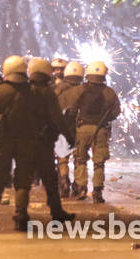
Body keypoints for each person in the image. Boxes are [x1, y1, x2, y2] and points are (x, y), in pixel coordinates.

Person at [0, 55, 39, 231]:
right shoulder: (33, 91)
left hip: (4, 141)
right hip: (26, 141)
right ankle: (21, 216)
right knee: (23, 181)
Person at [64, 61, 121, 203]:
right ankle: (97, 192)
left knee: (80, 159)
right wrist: (105, 119)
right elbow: (116, 112)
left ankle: (81, 188)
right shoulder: (109, 92)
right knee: (99, 162)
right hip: (101, 130)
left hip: (82, 129)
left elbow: (71, 109)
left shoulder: (79, 90)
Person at [27, 58, 75, 222]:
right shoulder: (49, 93)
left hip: (24, 141)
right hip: (43, 142)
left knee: (22, 179)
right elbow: (57, 118)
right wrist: (68, 137)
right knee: (50, 178)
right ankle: (56, 212)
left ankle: (20, 213)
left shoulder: (23, 91)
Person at [55, 61, 84, 198]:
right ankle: (79, 185)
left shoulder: (58, 88)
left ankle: (64, 181)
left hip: (63, 127)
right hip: (80, 127)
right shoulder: (85, 89)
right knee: (79, 158)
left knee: (62, 157)